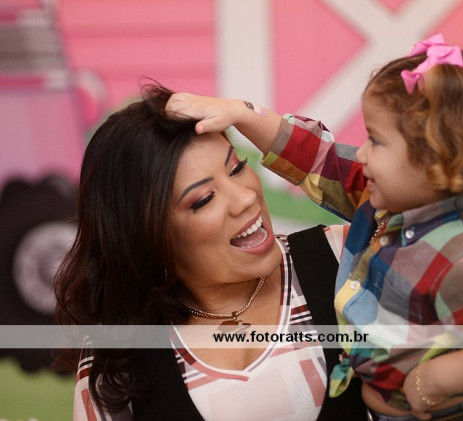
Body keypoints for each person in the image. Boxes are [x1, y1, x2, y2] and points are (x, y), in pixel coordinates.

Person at [164, 34, 463, 420]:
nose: (362, 153)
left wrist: (432, 381)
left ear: (437, 162)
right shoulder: (386, 205)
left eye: (376, 141)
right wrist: (240, 113)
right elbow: (317, 158)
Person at [53, 84, 370, 421]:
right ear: (147, 235)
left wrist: (249, 115)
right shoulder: (116, 358)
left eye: (237, 168)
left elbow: (400, 197)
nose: (245, 198)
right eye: (204, 199)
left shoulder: (345, 259)